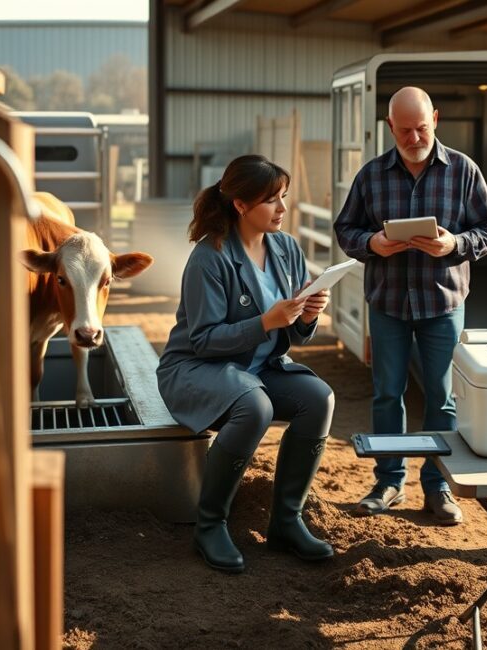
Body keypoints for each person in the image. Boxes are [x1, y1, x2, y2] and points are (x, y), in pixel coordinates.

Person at [334, 86, 487, 526]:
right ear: (390, 127)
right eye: (404, 130)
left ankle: (438, 485)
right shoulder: (371, 175)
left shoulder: (463, 170)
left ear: (436, 119)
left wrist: (454, 243)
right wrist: (371, 243)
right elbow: (345, 229)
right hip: (388, 302)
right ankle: (389, 481)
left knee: (442, 398)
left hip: (443, 302)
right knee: (387, 394)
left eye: (422, 128)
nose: (414, 138)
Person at [156, 154, 334, 574]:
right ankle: (210, 524)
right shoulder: (209, 258)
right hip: (196, 368)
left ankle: (286, 522)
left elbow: (289, 335)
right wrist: (265, 322)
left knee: (319, 399)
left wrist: (306, 317)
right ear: (240, 204)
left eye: (284, 198)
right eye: (272, 200)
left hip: (258, 368)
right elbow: (202, 340)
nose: (283, 210)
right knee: (256, 405)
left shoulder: (287, 248)